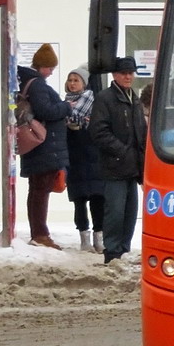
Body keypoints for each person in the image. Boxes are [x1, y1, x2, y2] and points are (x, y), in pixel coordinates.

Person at [90, 56, 148, 263]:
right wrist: (122, 151)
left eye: (131, 73)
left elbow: (140, 132)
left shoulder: (134, 98)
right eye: (124, 73)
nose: (128, 77)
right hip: (114, 166)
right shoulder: (106, 98)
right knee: (114, 212)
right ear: (115, 75)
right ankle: (113, 252)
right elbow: (98, 131)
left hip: (132, 167)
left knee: (130, 213)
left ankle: (123, 249)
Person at [17, 44, 70, 249]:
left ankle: (39, 232)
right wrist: (66, 106)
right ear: (42, 66)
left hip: (39, 148)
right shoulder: (38, 84)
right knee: (41, 191)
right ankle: (40, 234)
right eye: (50, 68)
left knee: (37, 190)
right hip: (44, 147)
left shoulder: (27, 81)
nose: (51, 72)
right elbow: (45, 111)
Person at [63, 66, 105, 253]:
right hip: (75, 158)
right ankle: (84, 239)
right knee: (79, 200)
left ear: (85, 83)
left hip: (94, 157)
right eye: (70, 80)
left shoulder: (93, 101)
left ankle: (99, 237)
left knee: (98, 199)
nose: (72, 84)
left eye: (76, 80)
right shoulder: (64, 104)